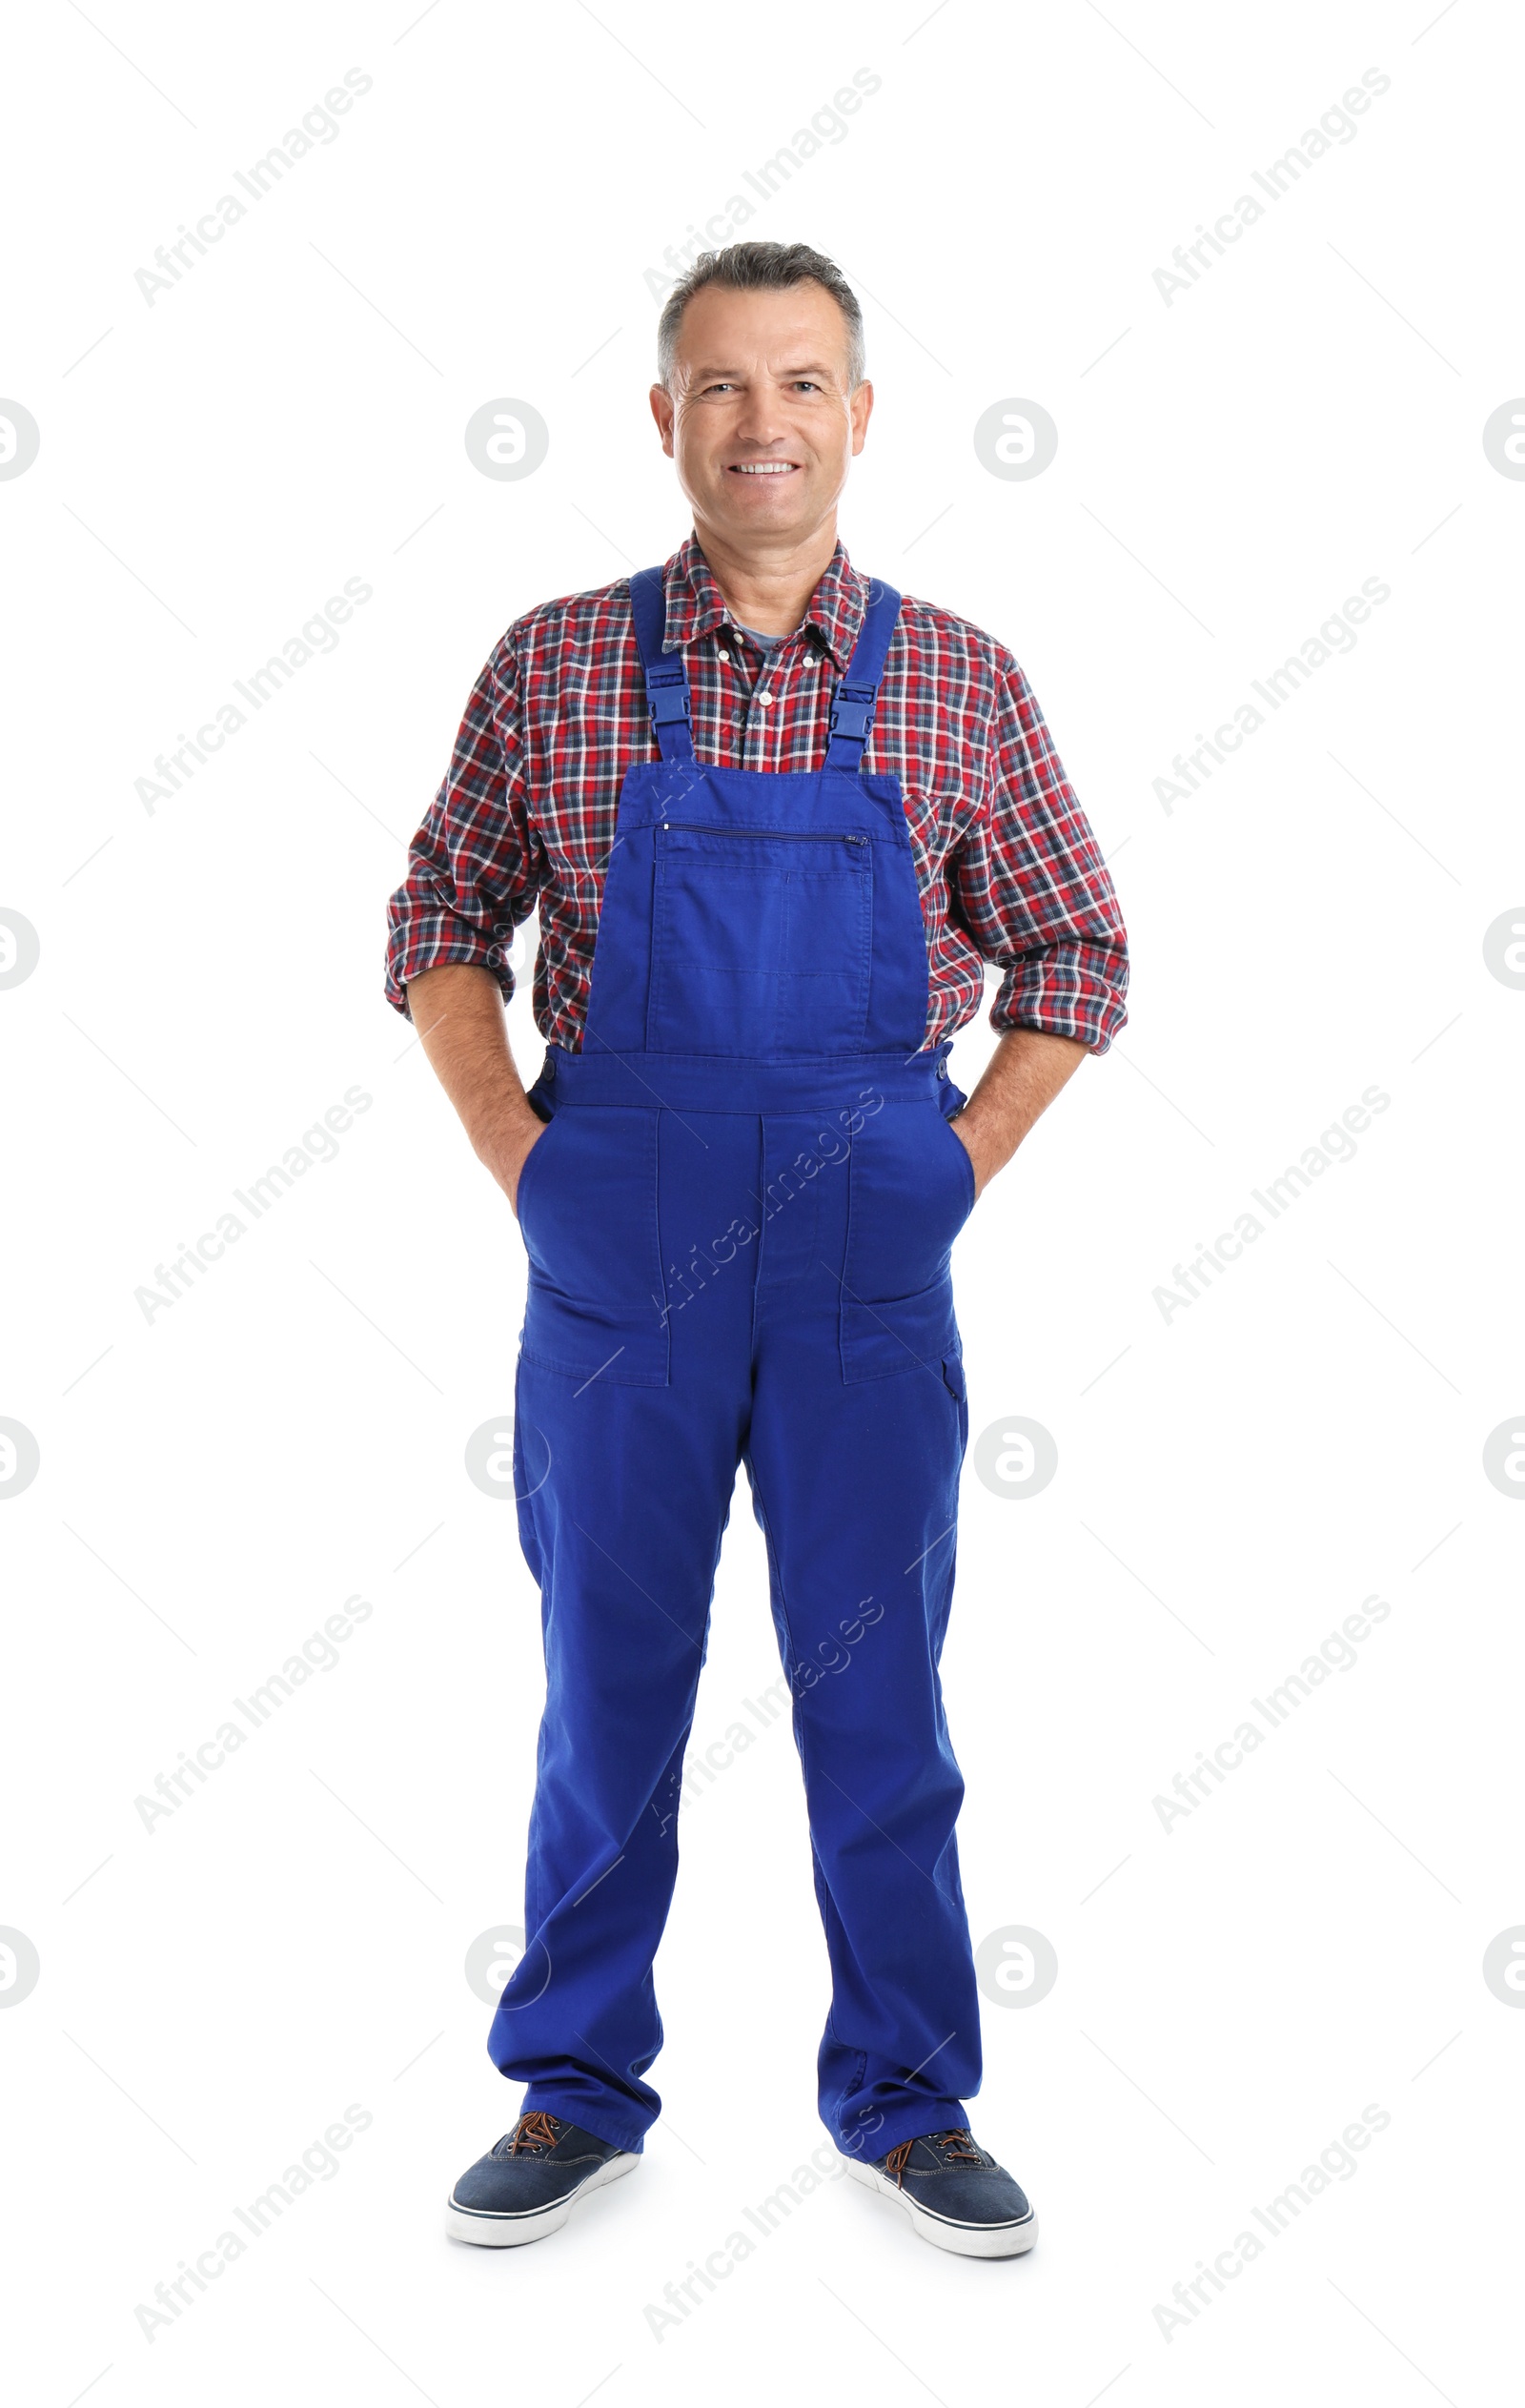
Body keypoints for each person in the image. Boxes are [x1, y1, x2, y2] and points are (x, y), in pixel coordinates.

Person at [384, 239, 1128, 2259]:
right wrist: (515, 1154)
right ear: (661, 418)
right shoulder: (553, 661)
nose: (761, 422)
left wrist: (952, 1161)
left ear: (860, 416)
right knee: (602, 1684)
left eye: (801, 382)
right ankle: (570, 2086)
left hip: (864, 1237)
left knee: (875, 1694)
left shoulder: (960, 677)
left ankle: (904, 2099)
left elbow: (1078, 949)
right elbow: (438, 914)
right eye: (720, 384)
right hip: (613, 1227)